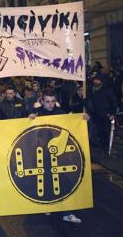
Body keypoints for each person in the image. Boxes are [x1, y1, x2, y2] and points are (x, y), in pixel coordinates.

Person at [29, 89, 82, 224]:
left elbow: (71, 125)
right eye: (47, 102)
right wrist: (28, 120)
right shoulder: (36, 113)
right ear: (42, 101)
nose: (50, 105)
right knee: (46, 181)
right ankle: (48, 206)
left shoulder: (60, 112)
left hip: (60, 155)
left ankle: (68, 213)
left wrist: (84, 119)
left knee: (65, 182)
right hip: (43, 154)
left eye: (53, 101)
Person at [88, 75, 118, 151]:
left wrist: (112, 113)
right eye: (94, 80)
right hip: (96, 115)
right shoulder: (92, 90)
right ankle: (102, 146)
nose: (95, 81)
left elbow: (113, 102)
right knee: (99, 131)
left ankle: (106, 147)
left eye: (97, 80)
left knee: (106, 132)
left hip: (106, 114)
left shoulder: (107, 90)